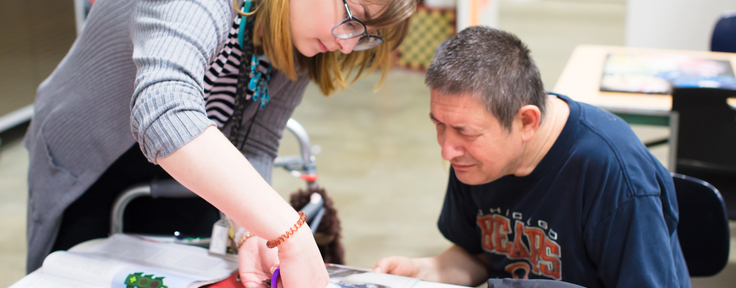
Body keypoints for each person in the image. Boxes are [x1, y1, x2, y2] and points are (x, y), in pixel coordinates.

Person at [23, 0, 413, 286]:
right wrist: (288, 233)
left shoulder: (300, 40)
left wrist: (249, 230)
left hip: (197, 163)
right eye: (353, 16)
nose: (347, 45)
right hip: (96, 160)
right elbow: (164, 111)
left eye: (364, 35)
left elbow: (256, 143)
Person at [372, 26, 690, 288]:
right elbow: (480, 257)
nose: (447, 149)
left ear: (526, 122)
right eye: (439, 125)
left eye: (465, 132)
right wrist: (424, 272)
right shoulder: (473, 162)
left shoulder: (614, 175)